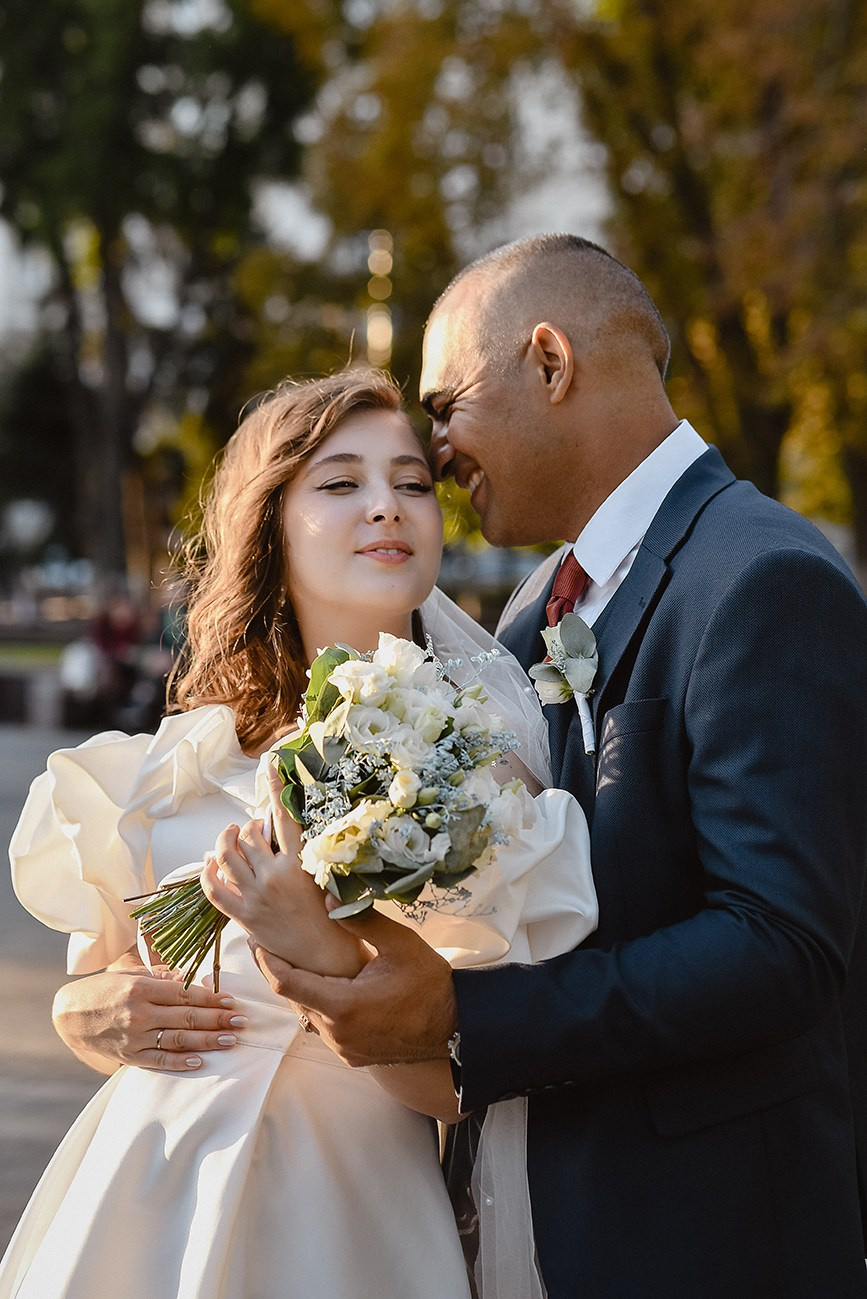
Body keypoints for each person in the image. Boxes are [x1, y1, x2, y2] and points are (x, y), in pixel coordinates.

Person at [246, 235, 867, 1297]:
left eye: (446, 407)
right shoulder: (537, 608)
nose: (436, 453)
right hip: (514, 1223)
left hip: (692, 1244)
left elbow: (781, 946)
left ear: (549, 361)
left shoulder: (764, 579)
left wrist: (462, 1021)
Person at [2, 369, 597, 1299]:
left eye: (410, 482)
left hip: (349, 1225)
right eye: (339, 482)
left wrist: (317, 952)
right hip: (147, 1203)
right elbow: (106, 983)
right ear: (270, 525)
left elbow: (463, 1093)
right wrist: (83, 1014)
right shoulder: (175, 763)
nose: (385, 507)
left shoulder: (487, 779)